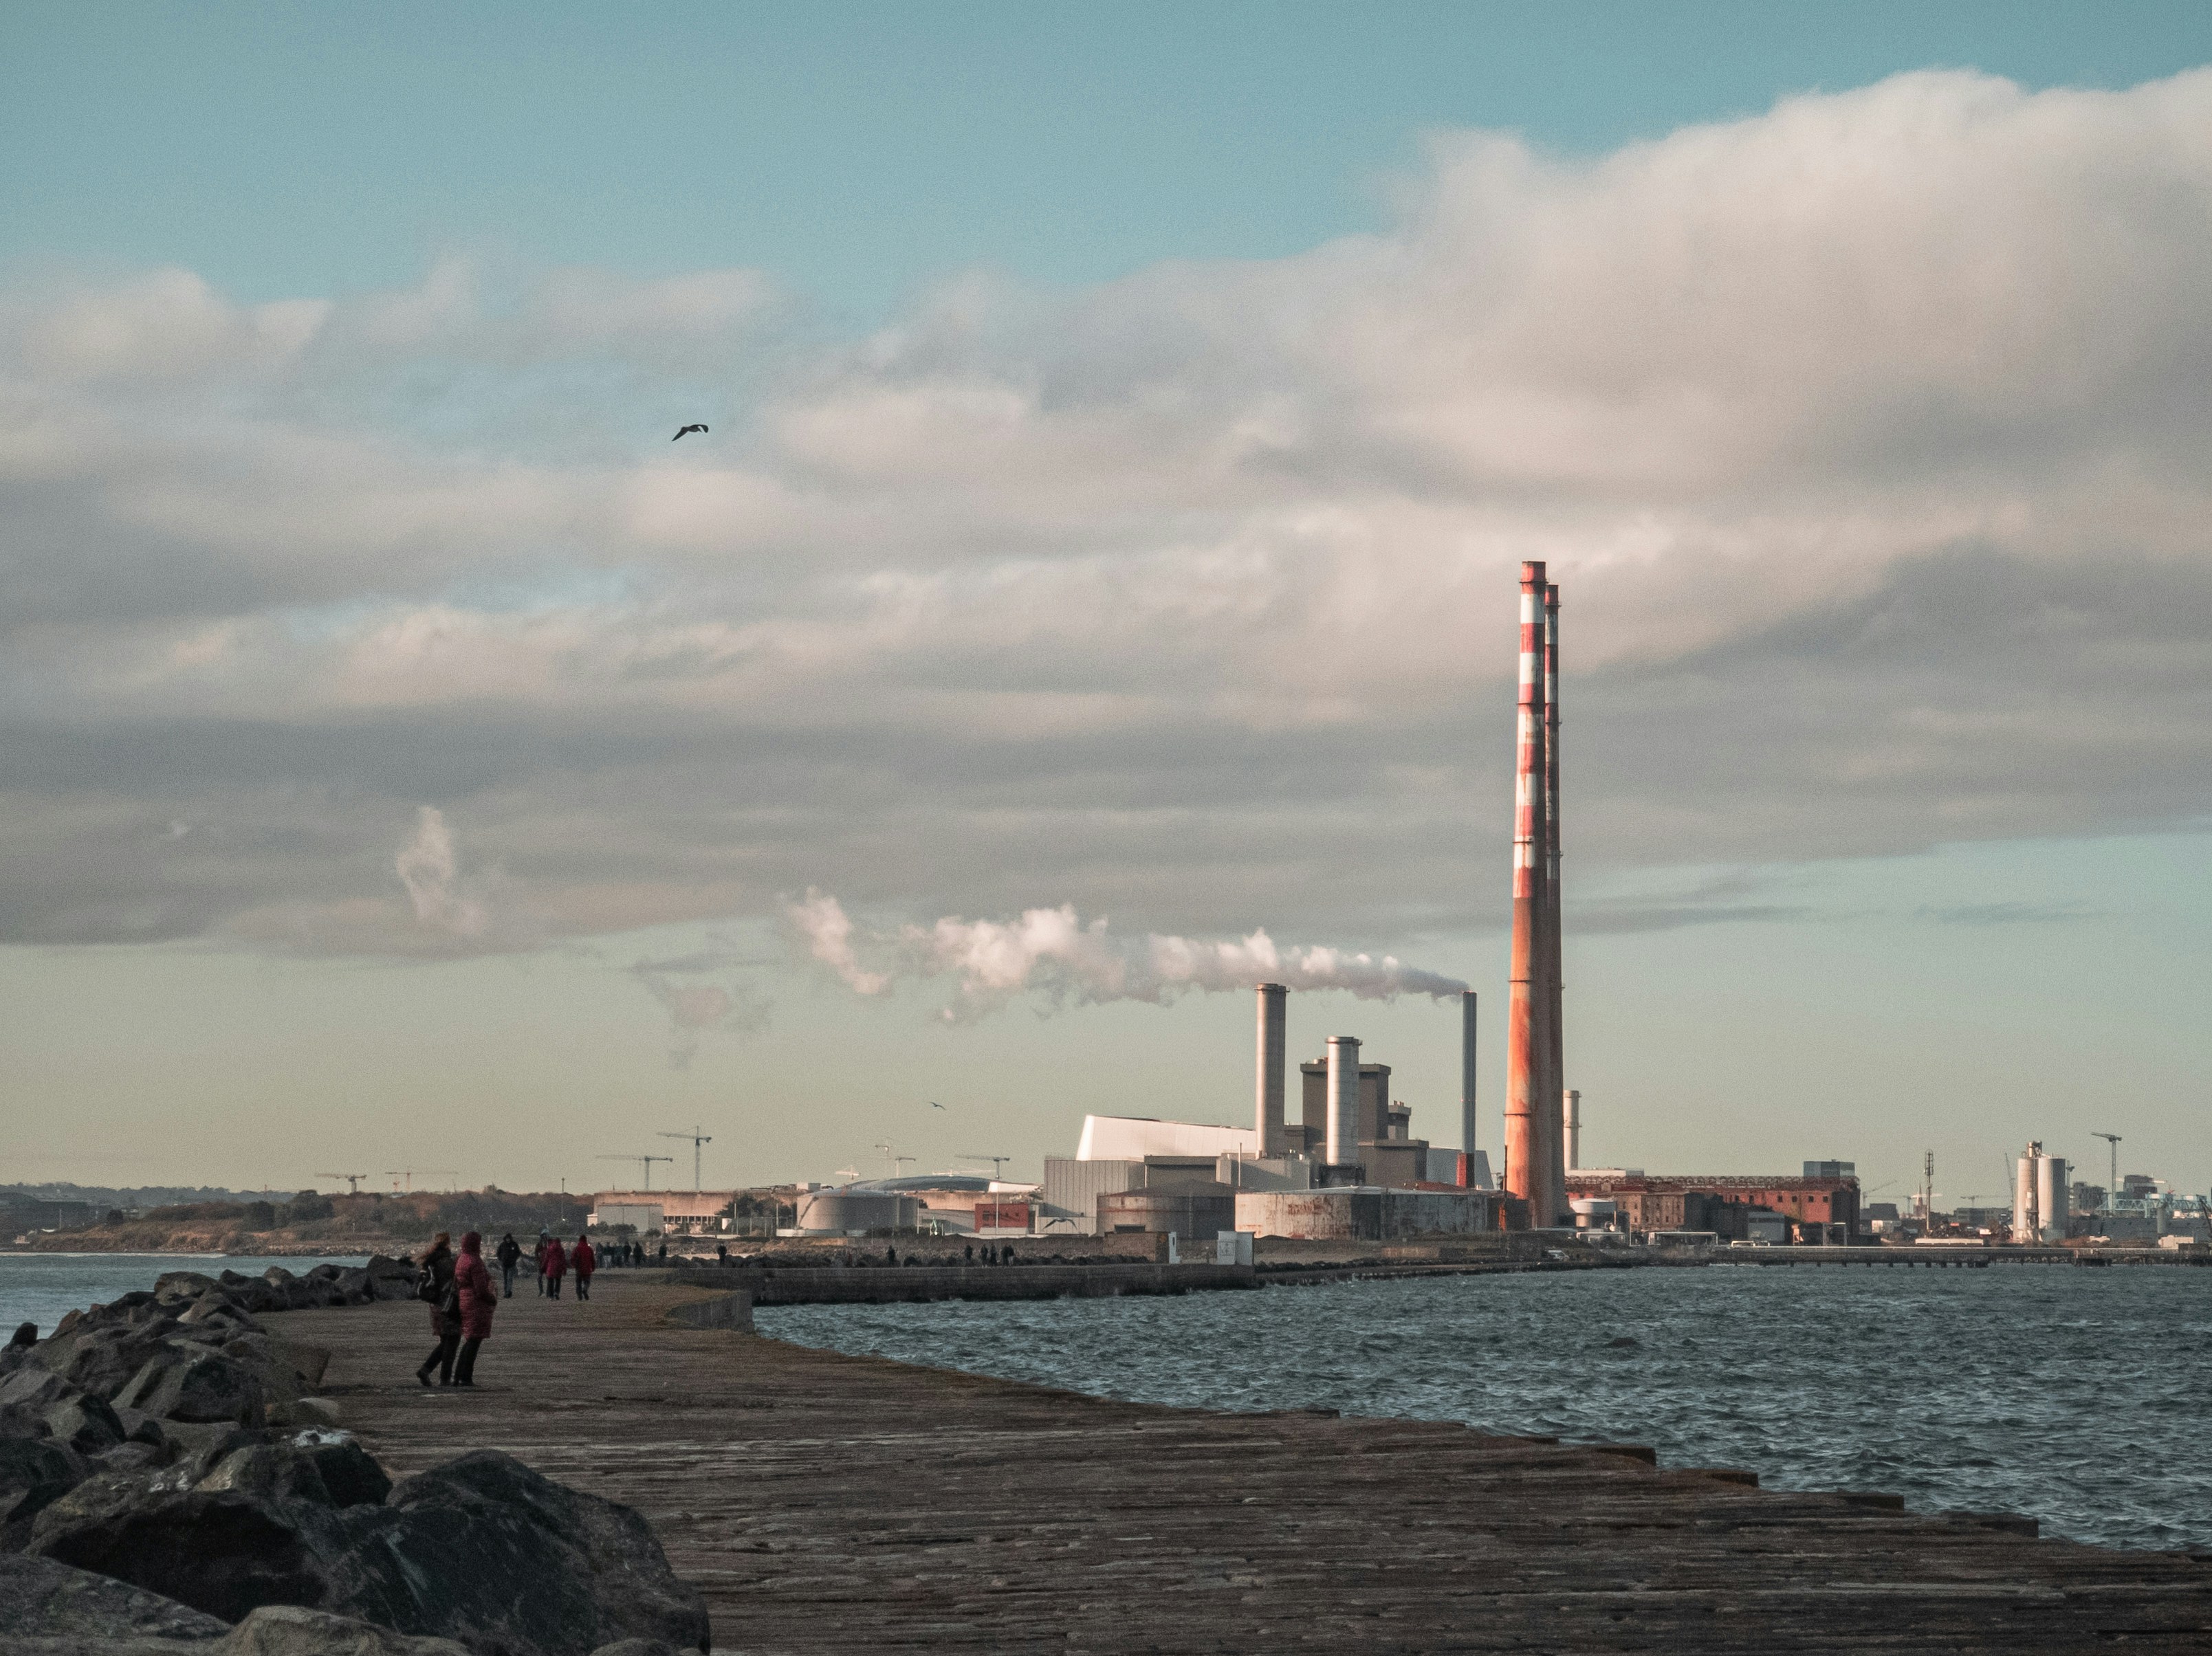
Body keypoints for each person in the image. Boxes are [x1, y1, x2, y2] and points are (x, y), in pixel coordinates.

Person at [414, 1232, 458, 1387]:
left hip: (434, 1304)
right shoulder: (447, 1262)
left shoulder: (431, 1260)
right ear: (448, 1244)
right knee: (452, 1341)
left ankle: (426, 1370)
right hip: (448, 1304)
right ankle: (444, 1378)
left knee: (446, 1341)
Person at [451, 1230, 495, 1387]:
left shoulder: (461, 1258)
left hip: (464, 1299)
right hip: (475, 1303)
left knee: (470, 1338)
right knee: (474, 1340)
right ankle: (465, 1377)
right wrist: (492, 1299)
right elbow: (481, 1289)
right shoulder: (475, 1261)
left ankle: (458, 1375)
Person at [495, 1232, 522, 1299]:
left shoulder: (514, 1245)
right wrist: (501, 1260)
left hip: (512, 1265)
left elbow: (518, 1253)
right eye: (507, 1238)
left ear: (511, 1238)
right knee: (505, 1279)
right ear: (505, 1239)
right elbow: (498, 1253)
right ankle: (506, 1291)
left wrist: (514, 1259)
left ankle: (508, 1292)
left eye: (509, 1238)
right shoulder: (502, 1245)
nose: (508, 1240)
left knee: (509, 1279)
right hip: (504, 1265)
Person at [543, 1233, 568, 1300]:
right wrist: (564, 1270)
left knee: (550, 1281)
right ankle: (556, 1292)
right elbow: (563, 1260)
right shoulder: (561, 1250)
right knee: (558, 1281)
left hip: (551, 1267)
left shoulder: (550, 1249)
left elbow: (546, 1259)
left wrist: (544, 1266)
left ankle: (551, 1295)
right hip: (558, 1267)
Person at [571, 1233, 595, 1300]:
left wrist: (574, 1265)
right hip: (587, 1268)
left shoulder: (576, 1249)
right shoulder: (589, 1249)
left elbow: (573, 1258)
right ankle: (585, 1289)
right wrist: (593, 1267)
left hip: (579, 1268)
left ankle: (579, 1296)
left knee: (578, 1283)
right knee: (587, 1282)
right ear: (586, 1240)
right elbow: (592, 1259)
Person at [534, 1230, 551, 1295]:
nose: (544, 1237)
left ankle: (548, 1291)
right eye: (543, 1235)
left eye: (545, 1235)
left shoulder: (549, 1244)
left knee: (549, 1278)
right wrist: (537, 1260)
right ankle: (541, 1291)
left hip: (547, 1264)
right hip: (541, 1263)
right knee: (539, 1278)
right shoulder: (539, 1244)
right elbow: (536, 1253)